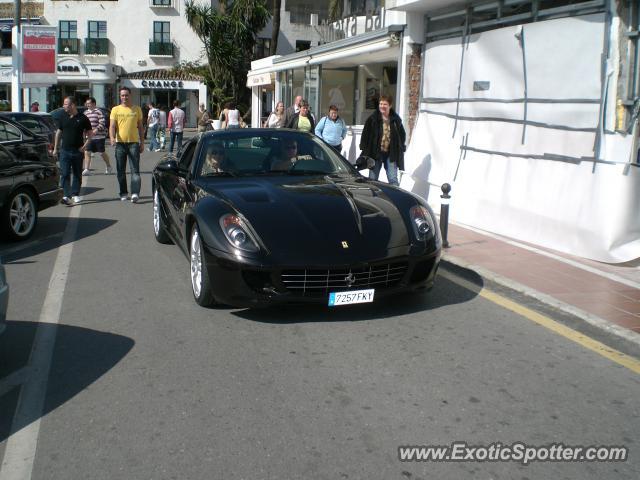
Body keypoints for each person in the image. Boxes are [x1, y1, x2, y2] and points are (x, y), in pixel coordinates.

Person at [52, 96, 93, 205]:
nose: (64, 106)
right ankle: (66, 195)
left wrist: (85, 146)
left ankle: (75, 194)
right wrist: (55, 148)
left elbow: (90, 133)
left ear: (73, 105)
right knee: (64, 173)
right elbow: (58, 133)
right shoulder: (63, 116)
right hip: (65, 151)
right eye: (64, 104)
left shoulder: (83, 118)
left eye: (66, 104)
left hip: (77, 151)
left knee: (77, 174)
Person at [359, 94, 406, 187]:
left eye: (385, 104)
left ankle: (396, 199)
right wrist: (364, 148)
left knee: (393, 179)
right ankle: (372, 199)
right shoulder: (372, 119)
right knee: (372, 179)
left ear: (390, 106)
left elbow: (402, 134)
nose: (382, 106)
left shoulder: (396, 120)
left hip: (390, 154)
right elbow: (365, 133)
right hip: (375, 153)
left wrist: (400, 147)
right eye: (381, 104)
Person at [109, 86, 144, 203]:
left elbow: (140, 127)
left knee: (135, 170)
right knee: (120, 171)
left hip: (133, 143)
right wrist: (112, 137)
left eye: (126, 95)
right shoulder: (115, 109)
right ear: (120, 96)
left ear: (130, 95)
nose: (124, 97)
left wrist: (142, 142)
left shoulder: (137, 109)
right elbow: (112, 126)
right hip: (120, 144)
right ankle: (123, 193)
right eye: (122, 95)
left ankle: (135, 193)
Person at [82, 97, 113, 175]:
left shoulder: (99, 112)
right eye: (87, 103)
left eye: (89, 103)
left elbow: (102, 123)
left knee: (101, 153)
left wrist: (96, 130)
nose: (88, 105)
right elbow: (83, 124)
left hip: (99, 136)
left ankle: (108, 166)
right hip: (89, 137)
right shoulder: (85, 113)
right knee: (87, 152)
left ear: (94, 104)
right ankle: (86, 169)